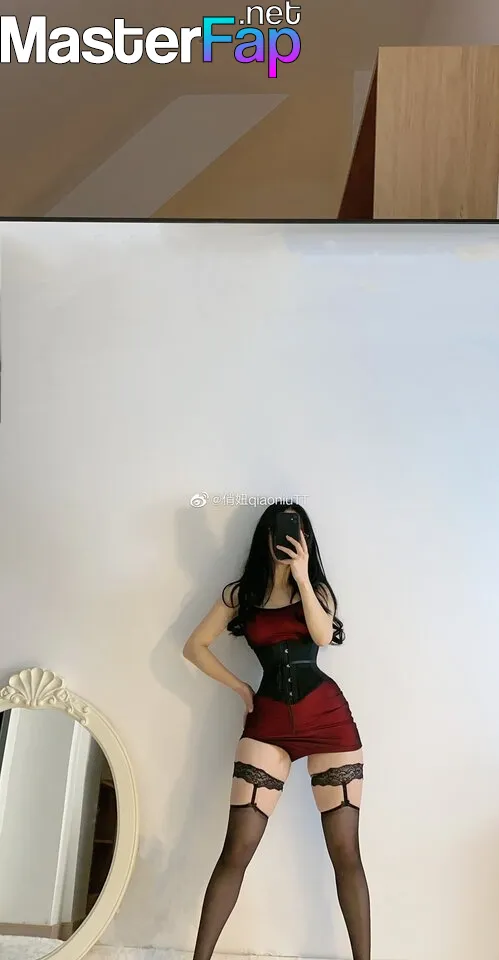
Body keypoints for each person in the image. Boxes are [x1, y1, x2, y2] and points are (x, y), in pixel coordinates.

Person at [183, 502, 370, 960]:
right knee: (237, 847)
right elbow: (195, 647)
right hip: (267, 723)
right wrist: (239, 686)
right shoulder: (240, 596)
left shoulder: (317, 590)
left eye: (296, 532)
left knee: (345, 851)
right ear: (264, 538)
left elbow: (322, 637)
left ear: (306, 540)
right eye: (279, 531)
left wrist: (302, 577)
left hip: (328, 721)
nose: (286, 540)